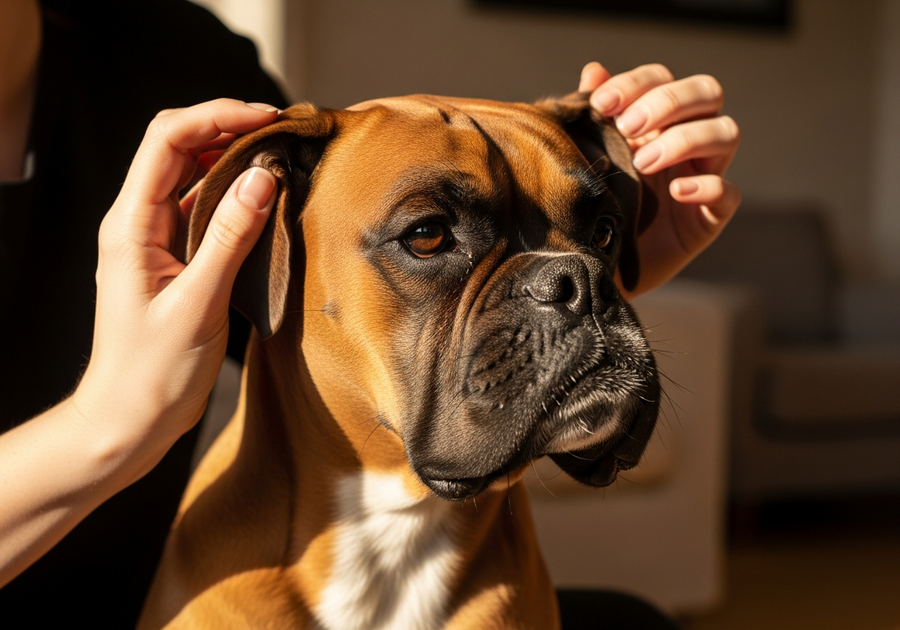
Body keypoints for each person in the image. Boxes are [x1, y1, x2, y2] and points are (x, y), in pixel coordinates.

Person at [0, 0, 739, 626]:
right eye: (429, 233)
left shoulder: (165, 50)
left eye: (596, 232)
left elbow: (328, 296)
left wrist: (606, 274)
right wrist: (108, 422)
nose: (571, 278)